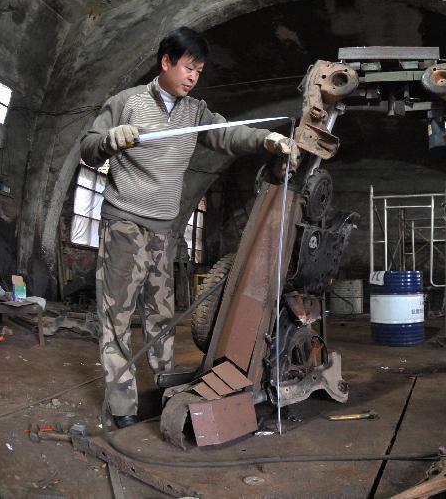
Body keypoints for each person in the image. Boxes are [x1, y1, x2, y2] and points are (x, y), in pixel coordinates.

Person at [80, 26, 296, 428]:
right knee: (117, 316)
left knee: (162, 316)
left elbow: (229, 134)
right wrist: (110, 139)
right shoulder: (125, 103)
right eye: (188, 67)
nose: (194, 76)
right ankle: (124, 406)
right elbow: (88, 149)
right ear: (166, 62)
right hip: (124, 222)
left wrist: (266, 139)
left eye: (199, 70)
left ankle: (166, 392)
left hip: (164, 229)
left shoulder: (195, 112)